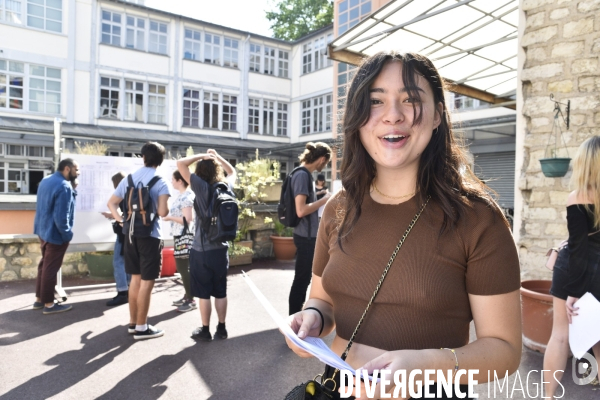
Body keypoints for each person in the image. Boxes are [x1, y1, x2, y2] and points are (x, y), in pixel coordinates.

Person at [283, 52, 522, 399]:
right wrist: (313, 319)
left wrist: (423, 365)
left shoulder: (477, 219)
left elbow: (504, 351)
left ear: (439, 113)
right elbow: (322, 300)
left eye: (410, 99)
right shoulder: (339, 207)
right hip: (335, 389)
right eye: (375, 101)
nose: (392, 115)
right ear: (357, 118)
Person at [543, 136, 600, 398]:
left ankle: (548, 396)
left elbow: (578, 249)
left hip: (573, 271)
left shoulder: (578, 197)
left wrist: (574, 292)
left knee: (560, 337)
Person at [107, 142, 170, 340]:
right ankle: (142, 328)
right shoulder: (160, 181)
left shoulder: (128, 179)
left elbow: (111, 203)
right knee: (147, 281)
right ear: (160, 160)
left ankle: (133, 323)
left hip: (130, 234)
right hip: (150, 236)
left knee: (135, 278)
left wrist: (121, 220)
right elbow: (162, 212)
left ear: (143, 157)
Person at [176, 149, 236, 341]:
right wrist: (218, 157)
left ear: (200, 171)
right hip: (221, 248)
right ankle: (222, 328)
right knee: (220, 291)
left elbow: (181, 164)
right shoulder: (226, 187)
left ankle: (205, 329)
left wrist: (201, 156)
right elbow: (232, 171)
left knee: (204, 293)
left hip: (201, 250)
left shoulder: (200, 187)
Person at [288, 142, 332, 315]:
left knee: (304, 279)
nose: (326, 166)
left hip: (307, 234)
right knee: (302, 279)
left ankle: (296, 317)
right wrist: (325, 200)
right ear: (322, 159)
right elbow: (301, 210)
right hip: (305, 236)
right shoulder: (302, 175)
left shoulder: (303, 174)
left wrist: (319, 196)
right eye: (327, 162)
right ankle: (293, 320)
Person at [33, 158, 80, 314]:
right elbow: (62, 217)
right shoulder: (64, 186)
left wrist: (73, 189)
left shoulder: (46, 180)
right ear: (67, 169)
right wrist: (67, 235)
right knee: (50, 269)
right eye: (76, 169)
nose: (78, 173)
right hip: (55, 234)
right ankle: (49, 305)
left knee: (44, 266)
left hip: (43, 231)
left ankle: (39, 300)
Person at [162, 170, 196, 312]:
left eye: (173, 179)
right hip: (180, 235)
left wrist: (170, 218)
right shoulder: (183, 196)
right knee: (182, 268)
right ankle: (188, 295)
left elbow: (188, 219)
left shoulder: (187, 197)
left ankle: (191, 299)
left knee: (183, 268)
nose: (172, 182)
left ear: (180, 181)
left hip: (184, 235)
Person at [101, 172, 130, 307]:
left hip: (123, 232)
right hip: (131, 232)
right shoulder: (131, 192)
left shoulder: (121, 194)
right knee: (128, 261)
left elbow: (114, 206)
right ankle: (129, 290)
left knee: (118, 261)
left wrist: (117, 218)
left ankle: (122, 292)